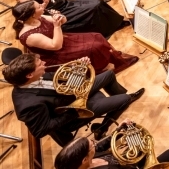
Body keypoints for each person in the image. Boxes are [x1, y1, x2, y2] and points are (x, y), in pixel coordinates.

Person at [3, 52, 144, 145]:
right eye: (40, 64)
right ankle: (102, 128)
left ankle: (117, 100)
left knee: (109, 75)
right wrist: (75, 111)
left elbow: (60, 81)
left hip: (74, 94)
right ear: (29, 75)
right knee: (124, 100)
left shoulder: (35, 77)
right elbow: (41, 130)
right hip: (74, 113)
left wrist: (79, 67)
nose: (44, 63)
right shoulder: (28, 105)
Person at [12, 0, 138, 75]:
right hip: (57, 55)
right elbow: (56, 46)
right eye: (39, 7)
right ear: (32, 14)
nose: (42, 6)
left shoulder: (39, 17)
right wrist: (56, 26)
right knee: (94, 47)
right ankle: (100, 70)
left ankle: (112, 57)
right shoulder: (28, 35)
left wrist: (59, 17)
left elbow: (63, 21)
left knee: (97, 36)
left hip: (62, 40)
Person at [53, 122, 169, 169]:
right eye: (91, 145)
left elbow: (100, 146)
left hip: (127, 164)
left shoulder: (83, 161)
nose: (94, 143)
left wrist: (119, 130)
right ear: (84, 159)